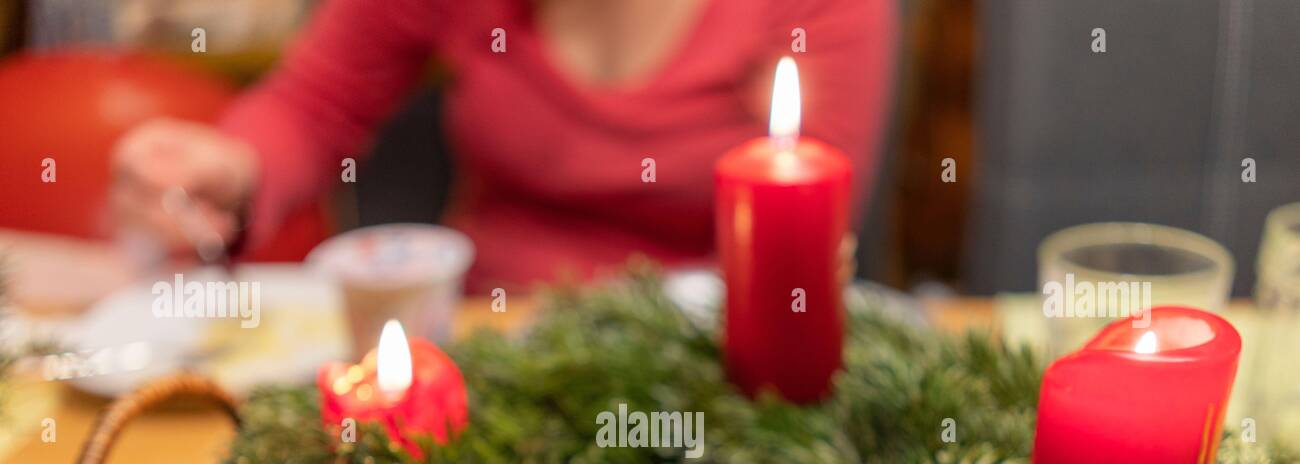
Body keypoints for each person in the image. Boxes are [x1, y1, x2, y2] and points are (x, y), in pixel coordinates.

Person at [111, 0, 896, 293]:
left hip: (702, 377)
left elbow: (805, 242)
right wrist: (231, 169)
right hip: (488, 338)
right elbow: (317, 101)